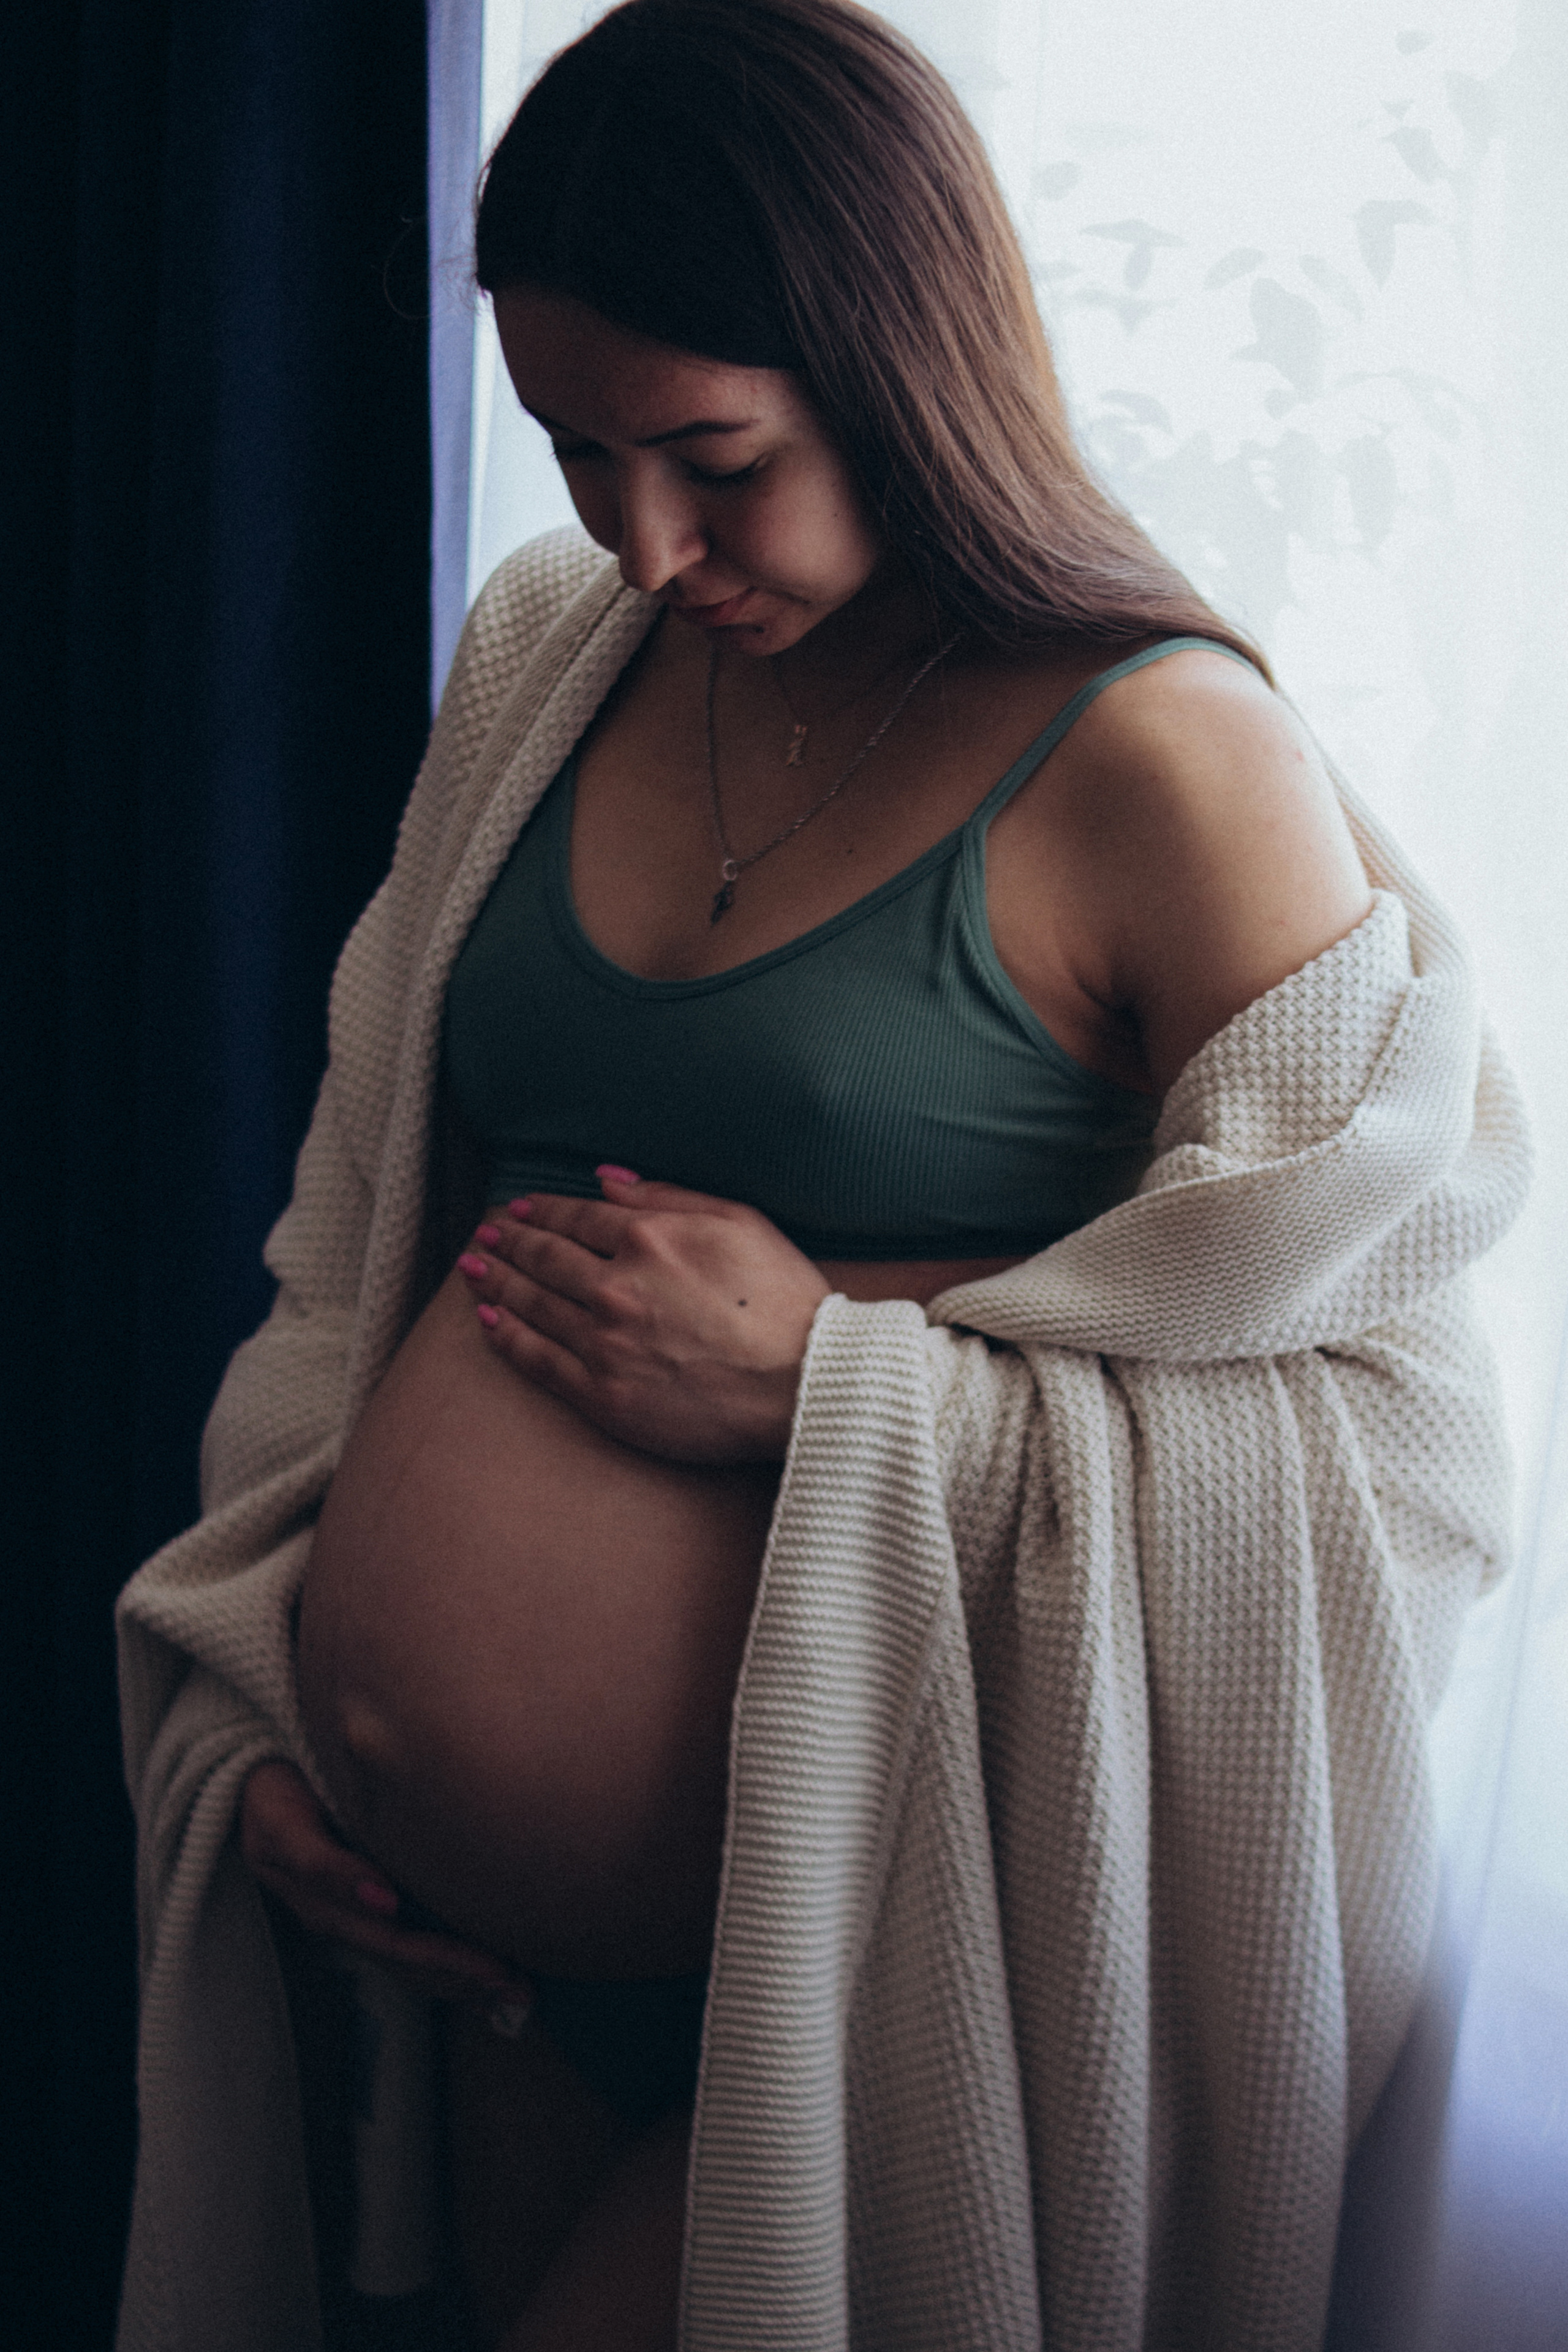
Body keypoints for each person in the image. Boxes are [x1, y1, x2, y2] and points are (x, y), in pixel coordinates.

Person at [115, 3, 1529, 2348]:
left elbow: (1387, 1435)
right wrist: (260, 1707)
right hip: (464, 1961)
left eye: (713, 457)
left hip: (888, 1936)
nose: (646, 543)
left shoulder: (1171, 763)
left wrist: (847, 1382)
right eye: (579, 451)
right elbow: (362, 1233)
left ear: (902, 366)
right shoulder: (557, 658)